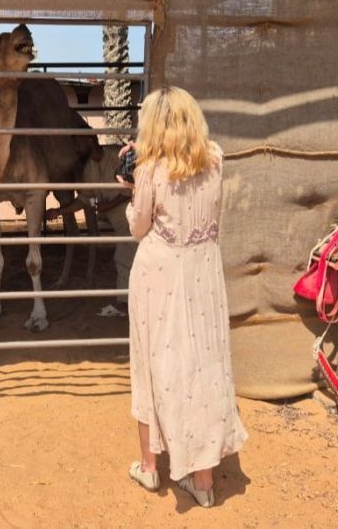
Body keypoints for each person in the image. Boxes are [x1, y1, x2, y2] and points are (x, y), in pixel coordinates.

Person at [116, 86, 247, 508]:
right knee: (203, 366)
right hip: (203, 275)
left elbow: (138, 226)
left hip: (160, 275)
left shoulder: (150, 169)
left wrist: (130, 181)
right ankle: (203, 480)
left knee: (152, 364)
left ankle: (149, 467)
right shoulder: (216, 159)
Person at [44, 144, 137, 315]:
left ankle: (127, 303)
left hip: (130, 218)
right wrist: (59, 211)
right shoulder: (89, 169)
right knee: (128, 258)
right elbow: (86, 199)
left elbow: (130, 190)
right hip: (120, 222)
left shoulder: (116, 155)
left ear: (89, 141)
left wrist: (107, 204)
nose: (77, 148)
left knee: (125, 258)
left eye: (79, 142)